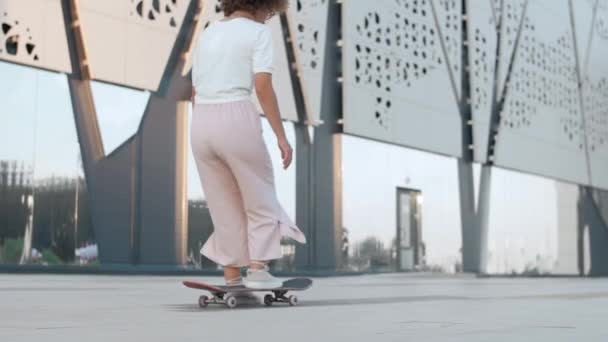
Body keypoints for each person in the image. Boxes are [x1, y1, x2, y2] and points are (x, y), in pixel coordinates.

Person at [190, 0, 306, 293]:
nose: (268, 17)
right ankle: (257, 269)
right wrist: (281, 135)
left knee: (223, 203)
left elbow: (195, 87)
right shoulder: (257, 33)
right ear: (263, 4)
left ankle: (231, 276)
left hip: (201, 121)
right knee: (260, 196)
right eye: (269, 12)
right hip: (235, 116)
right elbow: (263, 85)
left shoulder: (209, 31)